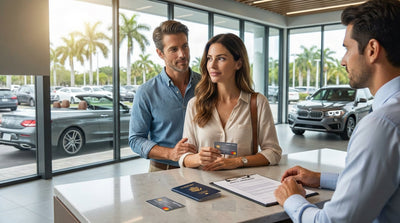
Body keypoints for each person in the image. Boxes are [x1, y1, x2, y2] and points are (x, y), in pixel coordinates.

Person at [274, 0, 400, 222]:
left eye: (347, 48)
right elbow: (380, 178)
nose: (343, 61)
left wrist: (292, 199)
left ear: (372, 50)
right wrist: (321, 178)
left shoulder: (381, 125)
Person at [178, 33, 281, 170]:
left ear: (238, 63)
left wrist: (238, 161)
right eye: (209, 59)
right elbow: (185, 157)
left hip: (244, 185)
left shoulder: (257, 103)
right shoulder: (195, 104)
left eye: (221, 58)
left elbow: (273, 152)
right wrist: (197, 158)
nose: (212, 65)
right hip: (204, 185)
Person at [129, 20, 200, 171]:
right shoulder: (146, 92)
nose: (182, 54)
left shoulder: (206, 85)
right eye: (173, 49)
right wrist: (171, 153)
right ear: (160, 53)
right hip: (162, 170)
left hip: (201, 168)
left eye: (185, 46)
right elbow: (135, 139)